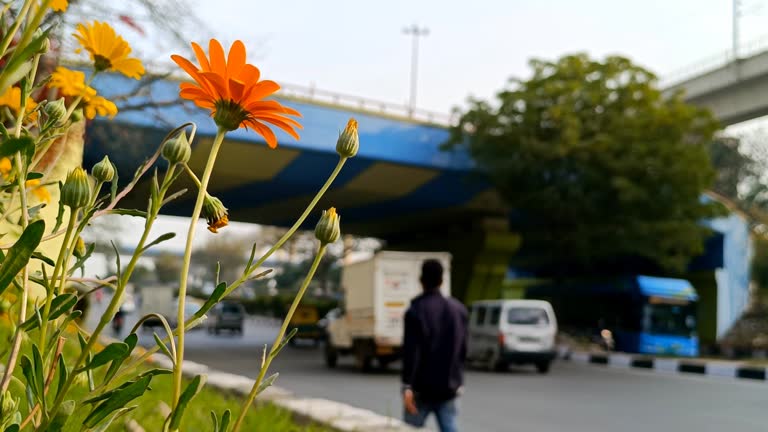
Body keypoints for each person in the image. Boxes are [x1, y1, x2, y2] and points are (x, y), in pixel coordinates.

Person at [401, 259, 468, 432]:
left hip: (421, 389)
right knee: (450, 427)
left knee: (411, 428)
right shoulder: (459, 310)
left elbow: (411, 353)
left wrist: (407, 386)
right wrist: (459, 380)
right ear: (442, 281)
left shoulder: (415, 311)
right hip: (450, 387)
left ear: (421, 280)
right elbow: (462, 350)